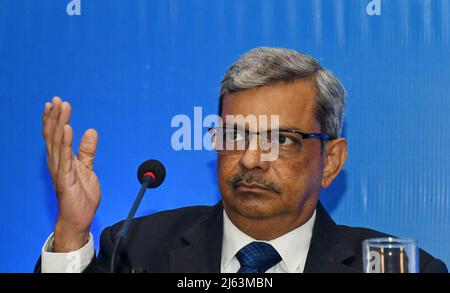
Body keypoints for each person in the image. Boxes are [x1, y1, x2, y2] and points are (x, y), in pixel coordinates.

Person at [35, 47, 447, 273]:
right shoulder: (135, 250)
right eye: (236, 135)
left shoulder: (394, 269)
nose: (252, 158)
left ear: (331, 161)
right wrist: (72, 232)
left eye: (281, 139)